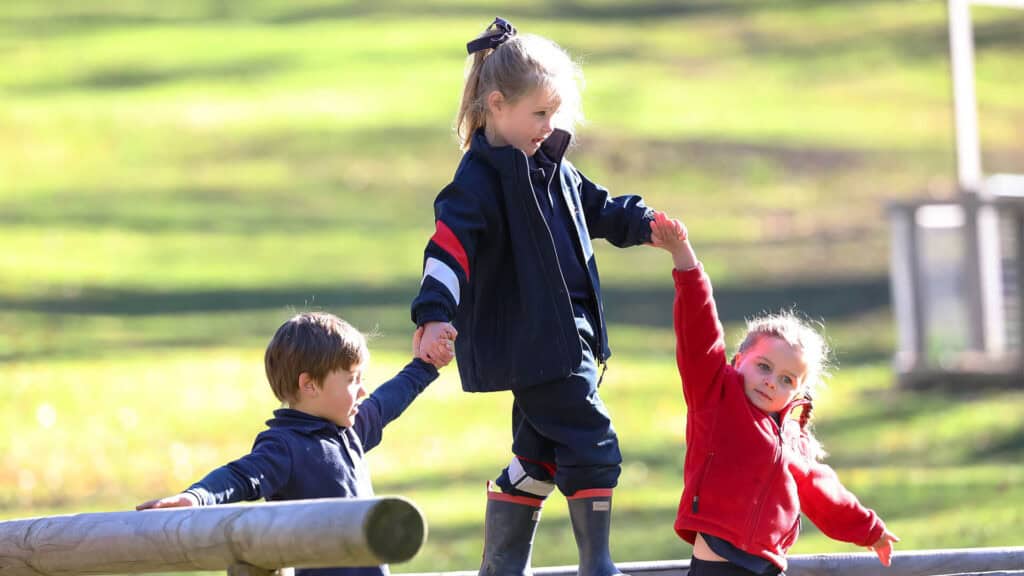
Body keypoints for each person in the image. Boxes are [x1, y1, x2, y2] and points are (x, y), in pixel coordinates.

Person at [411, 16, 674, 576]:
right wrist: (434, 315)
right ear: (497, 105)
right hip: (538, 344)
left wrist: (641, 221)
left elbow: (598, 208)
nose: (548, 126)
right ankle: (596, 564)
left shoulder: (553, 167)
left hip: (569, 336)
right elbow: (448, 249)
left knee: (539, 456)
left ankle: (502, 565)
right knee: (593, 441)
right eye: (539, 114)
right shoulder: (478, 182)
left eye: (553, 115)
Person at [647, 213, 899, 576]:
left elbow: (821, 490)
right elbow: (699, 331)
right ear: (739, 360)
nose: (771, 382)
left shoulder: (791, 436)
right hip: (720, 560)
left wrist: (870, 531)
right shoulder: (717, 397)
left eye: (786, 380)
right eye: (763, 367)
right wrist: (685, 260)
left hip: (767, 565)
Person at [137, 311, 453, 576]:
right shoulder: (285, 446)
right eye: (352, 379)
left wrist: (425, 365)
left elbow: (387, 401)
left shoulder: (349, 429)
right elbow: (240, 475)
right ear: (310, 384)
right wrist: (196, 498)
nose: (362, 392)